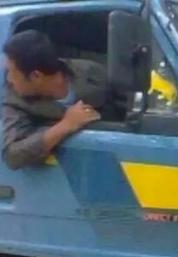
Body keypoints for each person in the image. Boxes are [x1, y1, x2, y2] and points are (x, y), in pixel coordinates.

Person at [2, 30, 120, 170]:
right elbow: (13, 155)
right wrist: (65, 125)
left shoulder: (92, 74)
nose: (8, 79)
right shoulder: (15, 100)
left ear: (36, 76)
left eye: (12, 72)